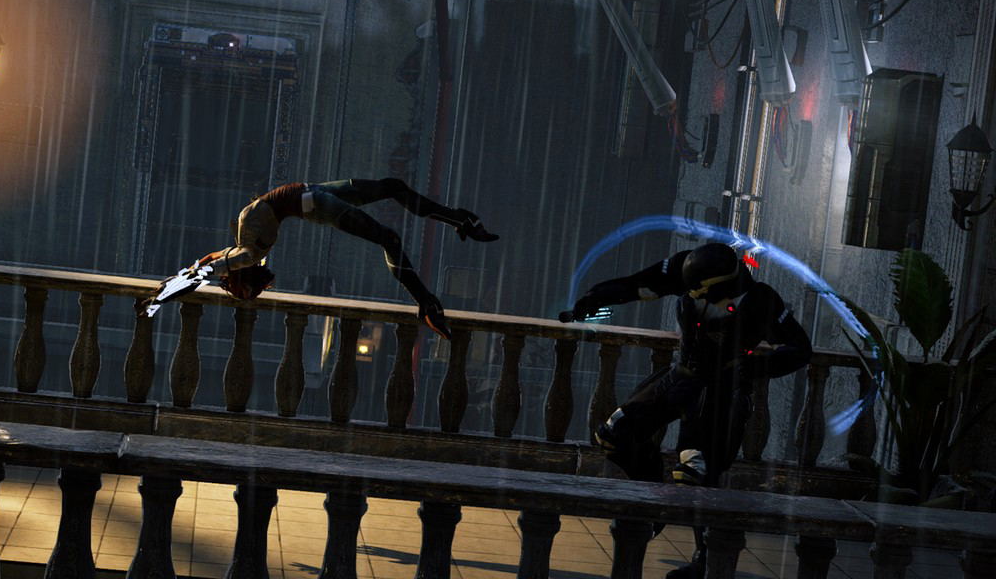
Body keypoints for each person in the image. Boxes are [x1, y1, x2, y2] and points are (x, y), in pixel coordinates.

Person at [561, 242, 811, 579]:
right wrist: (594, 298)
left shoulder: (760, 299)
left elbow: (799, 349)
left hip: (722, 388)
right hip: (682, 376)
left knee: (697, 472)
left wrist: (751, 368)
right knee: (614, 435)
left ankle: (704, 561)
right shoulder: (686, 270)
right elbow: (636, 284)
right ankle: (654, 501)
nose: (691, 294)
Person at [153, 178, 498, 339]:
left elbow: (209, 265)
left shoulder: (246, 254)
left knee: (393, 189)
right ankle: (427, 302)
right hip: (314, 200)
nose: (263, 284)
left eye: (252, 289)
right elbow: (209, 262)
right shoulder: (248, 251)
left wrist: (171, 287)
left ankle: (460, 221)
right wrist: (180, 280)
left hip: (314, 195)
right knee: (389, 232)